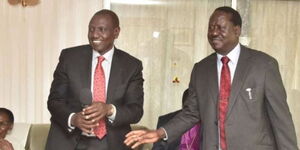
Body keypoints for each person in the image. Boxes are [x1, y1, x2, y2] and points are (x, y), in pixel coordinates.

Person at [125, 6, 298, 150]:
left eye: (220, 27)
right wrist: (159, 133)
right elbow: (191, 113)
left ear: (237, 30)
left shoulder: (263, 65)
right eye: (210, 28)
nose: (214, 33)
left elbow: (281, 119)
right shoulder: (201, 69)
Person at [46, 9, 144, 150]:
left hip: (111, 143)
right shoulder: (69, 57)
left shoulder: (132, 66)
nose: (94, 35)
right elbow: (54, 100)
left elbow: (136, 110)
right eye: (91, 29)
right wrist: (73, 119)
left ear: (116, 32)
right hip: (69, 141)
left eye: (101, 29)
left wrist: (109, 109)